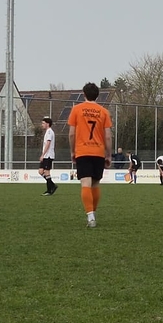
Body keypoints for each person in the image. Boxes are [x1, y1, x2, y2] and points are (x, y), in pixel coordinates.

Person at [66, 82, 113, 227]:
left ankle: (90, 216)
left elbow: (72, 134)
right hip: (98, 152)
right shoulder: (104, 112)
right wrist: (108, 154)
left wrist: (73, 151)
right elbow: (108, 136)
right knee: (95, 183)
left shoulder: (76, 109)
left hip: (83, 151)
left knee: (85, 183)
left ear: (84, 94)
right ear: (97, 95)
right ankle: (93, 212)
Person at [38, 117, 57, 195]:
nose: (42, 125)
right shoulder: (47, 132)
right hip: (46, 155)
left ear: (47, 124)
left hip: (48, 155)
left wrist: (43, 154)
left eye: (43, 123)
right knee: (40, 171)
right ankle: (52, 185)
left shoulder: (49, 132)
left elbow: (48, 144)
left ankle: (49, 190)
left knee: (46, 172)